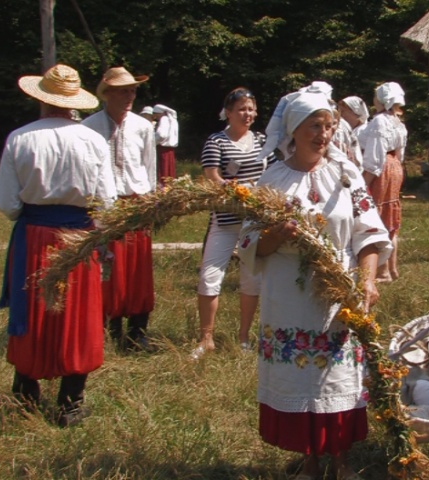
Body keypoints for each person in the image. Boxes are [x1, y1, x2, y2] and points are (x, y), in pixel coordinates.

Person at [237, 91, 392, 480]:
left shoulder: (345, 175)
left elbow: (370, 235)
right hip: (288, 294)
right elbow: (249, 245)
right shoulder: (271, 179)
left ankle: (341, 462)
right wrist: (276, 232)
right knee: (300, 377)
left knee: (334, 377)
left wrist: (367, 281)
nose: (323, 134)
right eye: (315, 126)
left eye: (328, 126)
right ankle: (309, 462)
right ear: (294, 130)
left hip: (336, 293)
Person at [0, 64, 117, 426]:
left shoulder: (20, 138)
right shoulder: (93, 140)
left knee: (33, 312)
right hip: (78, 239)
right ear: (73, 101)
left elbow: (7, 202)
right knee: (76, 316)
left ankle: (27, 391)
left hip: (35, 236)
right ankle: (70, 401)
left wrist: (32, 212)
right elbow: (106, 202)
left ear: (41, 98)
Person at [192, 87, 276, 359]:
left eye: (251, 109)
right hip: (225, 219)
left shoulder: (263, 140)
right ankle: (206, 338)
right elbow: (211, 176)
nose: (248, 114)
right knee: (209, 278)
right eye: (242, 109)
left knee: (251, 281)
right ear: (228, 113)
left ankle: (243, 339)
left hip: (254, 223)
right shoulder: (216, 141)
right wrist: (235, 190)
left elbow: (274, 173)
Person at [82, 66, 157, 350]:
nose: (129, 96)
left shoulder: (143, 127)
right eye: (123, 90)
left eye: (133, 90)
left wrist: (151, 205)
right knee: (108, 267)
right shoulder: (89, 128)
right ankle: (108, 327)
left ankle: (137, 330)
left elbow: (149, 169)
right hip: (105, 204)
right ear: (108, 94)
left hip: (137, 202)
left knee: (138, 268)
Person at [361, 82, 407, 283]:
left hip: (382, 169)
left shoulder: (380, 121)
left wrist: (363, 183)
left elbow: (374, 157)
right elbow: (400, 152)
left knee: (376, 217)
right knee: (389, 219)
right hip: (395, 165)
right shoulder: (398, 122)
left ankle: (383, 271)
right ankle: (392, 269)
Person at [153, 103, 178, 184]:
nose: (155, 116)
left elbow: (161, 135)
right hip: (169, 150)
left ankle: (163, 188)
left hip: (163, 149)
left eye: (156, 114)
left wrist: (152, 142)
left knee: (163, 170)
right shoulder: (172, 120)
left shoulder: (164, 119)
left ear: (160, 113)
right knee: (169, 171)